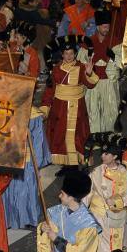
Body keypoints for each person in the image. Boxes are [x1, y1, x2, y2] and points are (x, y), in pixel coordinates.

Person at [41, 37, 98, 172]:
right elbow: (50, 90)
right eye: (66, 54)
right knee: (60, 135)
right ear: (62, 54)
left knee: (78, 135)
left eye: (71, 53)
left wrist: (89, 73)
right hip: (60, 109)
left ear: (75, 54)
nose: (69, 56)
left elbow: (90, 84)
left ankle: (76, 165)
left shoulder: (81, 67)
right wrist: (45, 106)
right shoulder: (56, 69)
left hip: (77, 107)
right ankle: (67, 165)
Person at [85, 135, 127, 252]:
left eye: (106, 154)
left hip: (118, 217)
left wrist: (116, 202)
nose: (102, 156)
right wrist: (81, 213)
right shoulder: (96, 172)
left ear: (114, 156)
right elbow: (87, 194)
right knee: (103, 249)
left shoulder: (124, 173)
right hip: (100, 218)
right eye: (102, 152)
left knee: (119, 246)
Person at [84, 10, 121, 134]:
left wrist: (114, 57)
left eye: (108, 27)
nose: (106, 29)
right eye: (104, 27)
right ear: (98, 26)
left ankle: (110, 139)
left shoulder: (115, 42)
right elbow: (82, 62)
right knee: (92, 111)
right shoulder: (88, 42)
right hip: (93, 83)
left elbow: (122, 64)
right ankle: (94, 138)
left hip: (108, 82)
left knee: (110, 111)